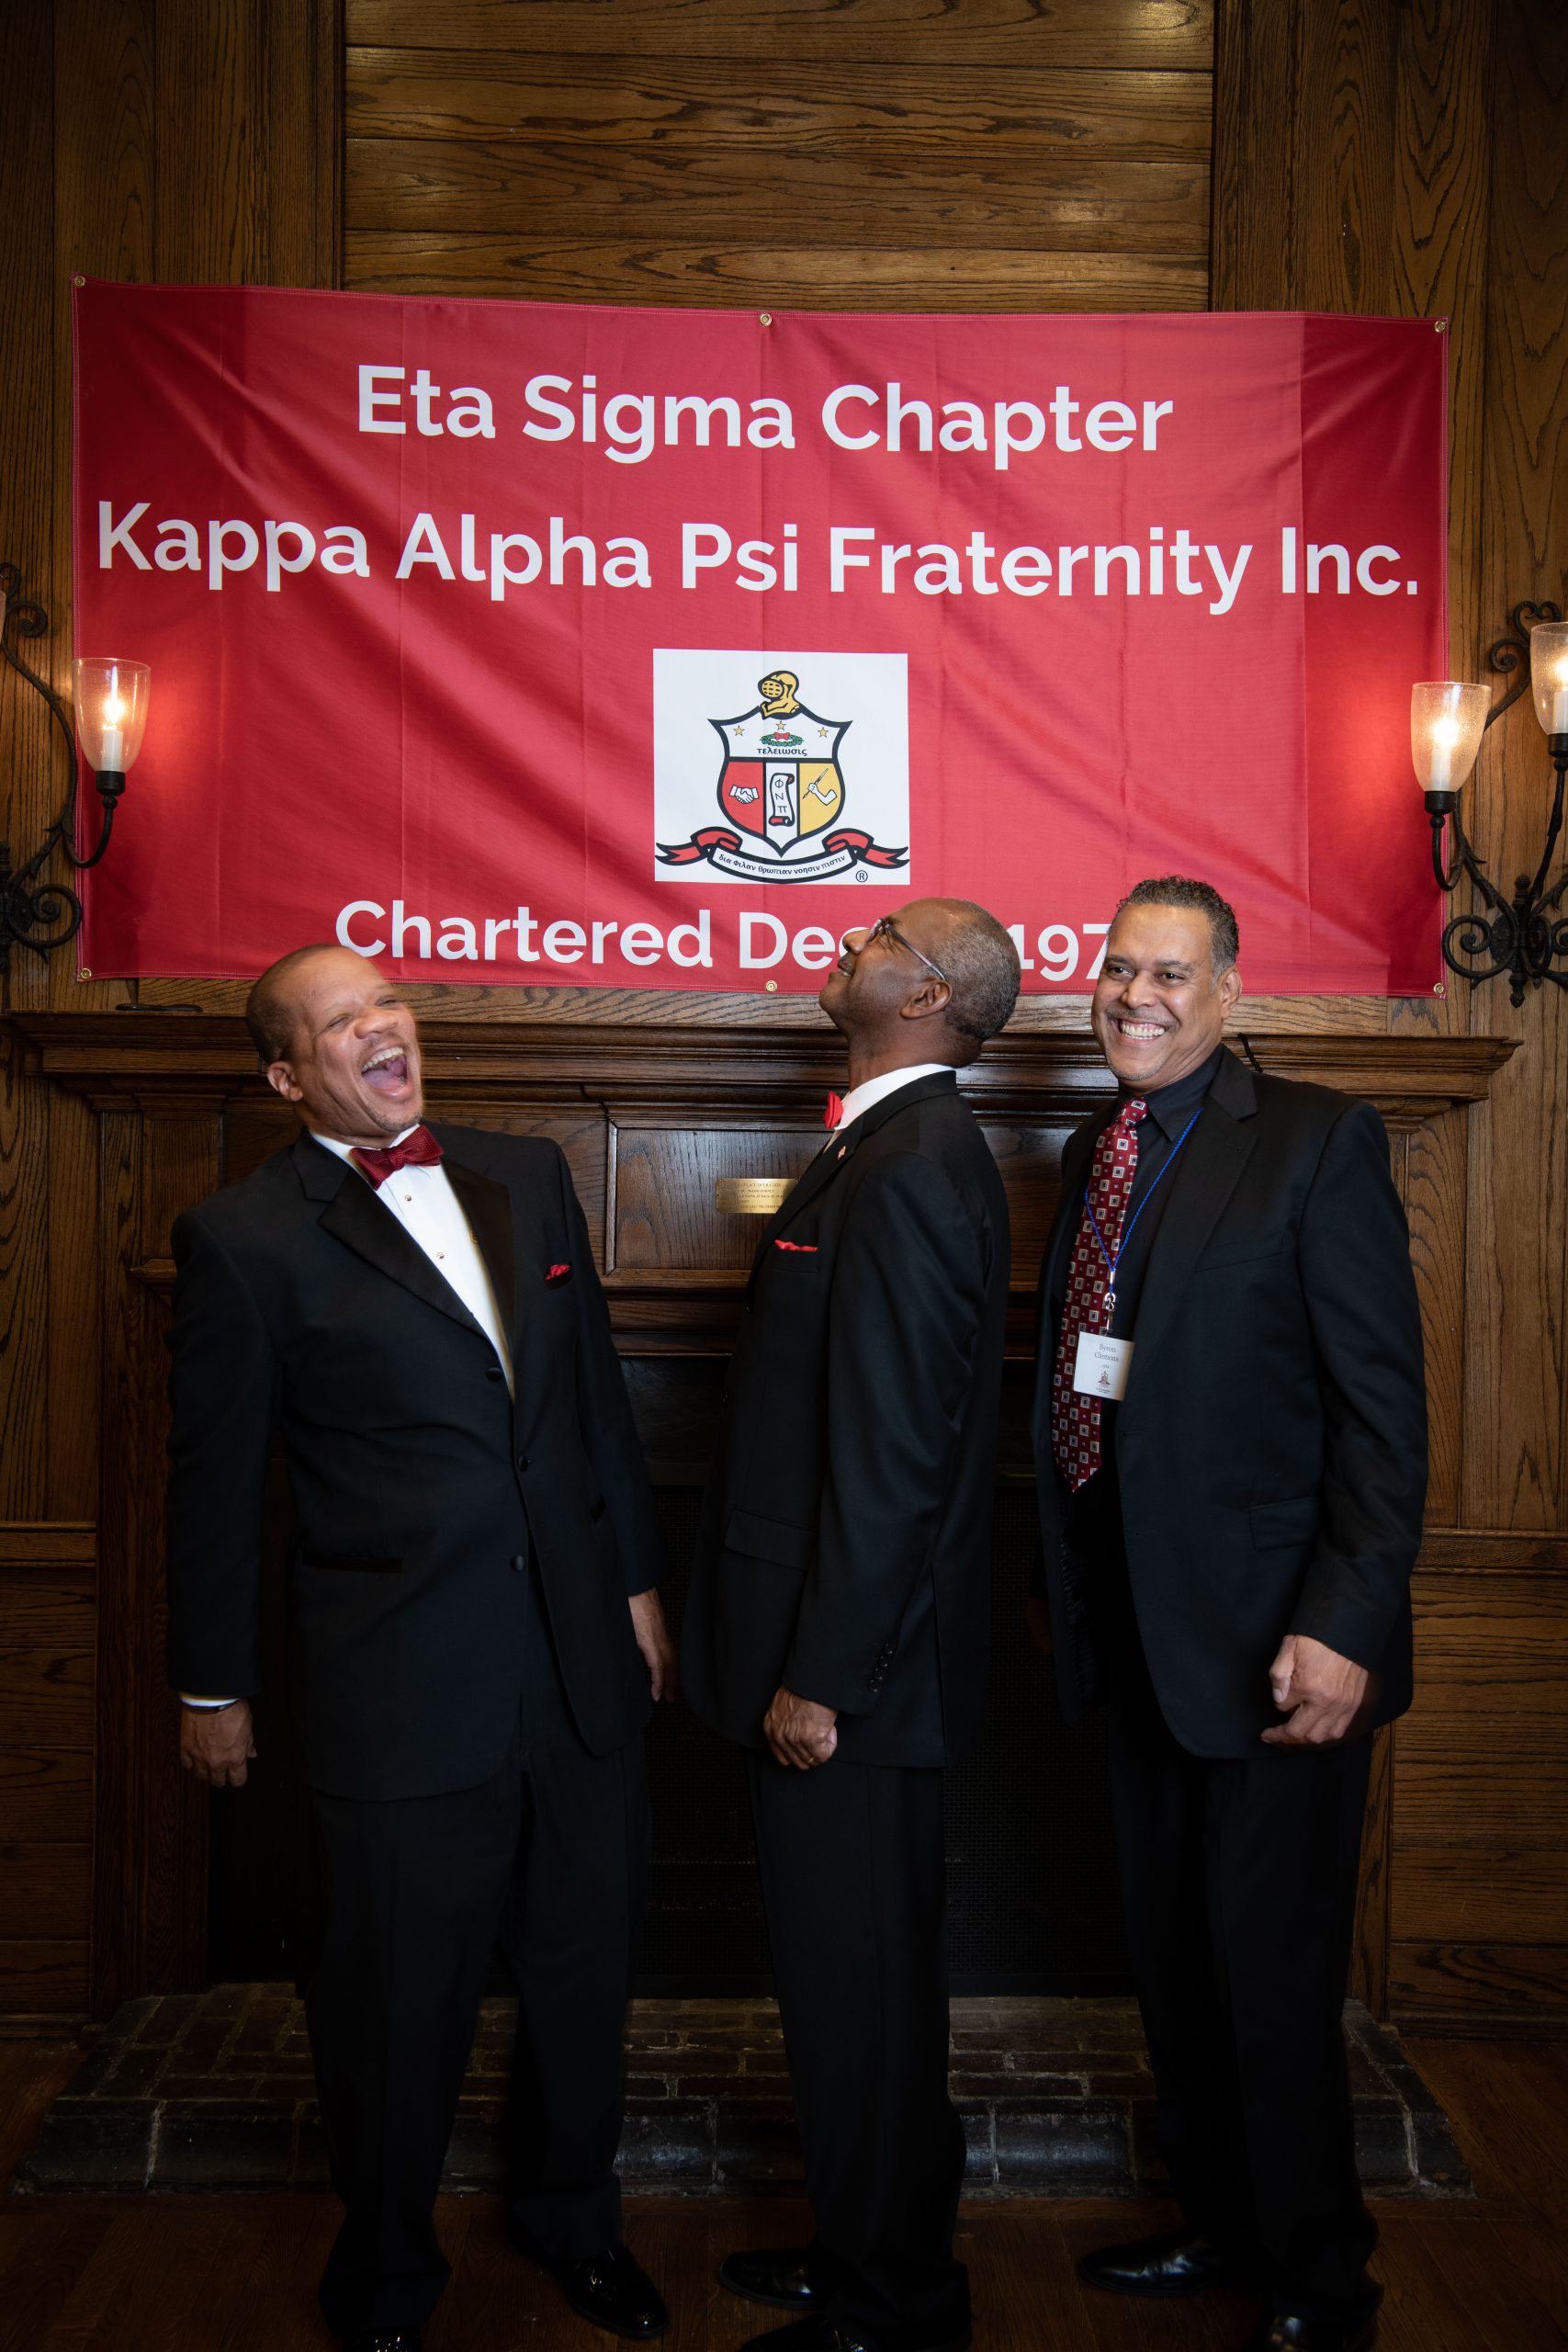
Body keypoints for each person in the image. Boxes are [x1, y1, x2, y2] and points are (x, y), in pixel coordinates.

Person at [165, 944, 675, 2352]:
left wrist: (636, 1589)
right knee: (393, 2002)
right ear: (288, 1078)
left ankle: (575, 2224)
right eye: (342, 1021)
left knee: (581, 1973)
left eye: (387, 1001)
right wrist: (211, 1684)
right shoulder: (242, 1238)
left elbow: (592, 1405)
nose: (383, 1025)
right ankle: (386, 2277)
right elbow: (212, 1487)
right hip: (397, 1686)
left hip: (576, 1663)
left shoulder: (529, 1173)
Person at [1029, 877, 1427, 2352]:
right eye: (1118, 968)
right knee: (1178, 1966)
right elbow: (1091, 1379)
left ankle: (1322, 2281)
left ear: (1230, 993)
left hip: (1279, 1651)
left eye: (1170, 974)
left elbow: (1382, 1414)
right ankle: (1216, 2225)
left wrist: (1348, 1625)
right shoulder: (1100, 1148)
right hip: (1136, 1638)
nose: (1136, 996)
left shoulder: (1316, 1140)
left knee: (1271, 1981)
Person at [684, 899, 1021, 2352]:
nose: (853, 939)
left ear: (928, 994)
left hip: (857, 1684)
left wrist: (822, 1678)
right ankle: (863, 2250)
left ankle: (897, 2305)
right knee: (846, 1992)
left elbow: (892, 1460)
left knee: (864, 1996)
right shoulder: (880, 1146)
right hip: (844, 1657)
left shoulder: (918, 1162)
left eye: (884, 932)